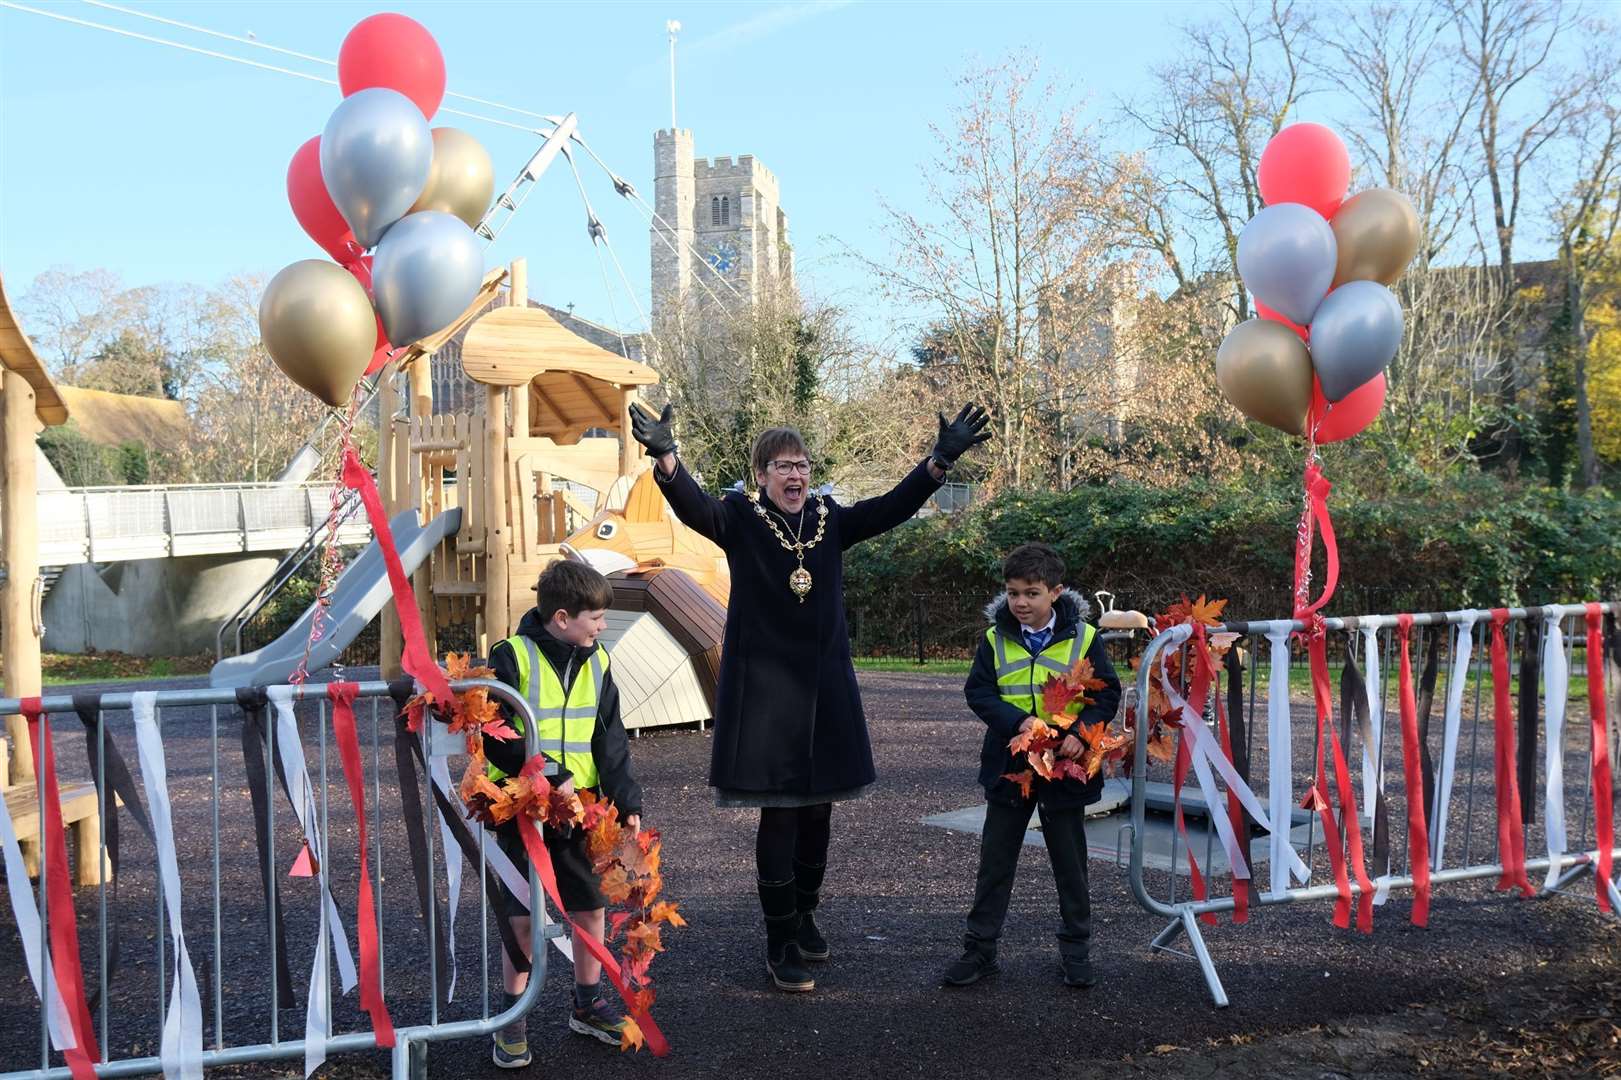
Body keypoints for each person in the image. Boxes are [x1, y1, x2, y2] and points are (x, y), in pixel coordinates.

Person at [628, 400, 992, 992]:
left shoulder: (828, 518)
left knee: (820, 810)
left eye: (800, 464)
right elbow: (693, 507)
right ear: (761, 475)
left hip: (824, 688)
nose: (794, 475)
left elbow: (889, 509)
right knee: (781, 813)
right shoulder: (739, 517)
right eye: (781, 466)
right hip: (765, 695)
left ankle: (804, 915)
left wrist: (939, 461)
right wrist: (668, 458)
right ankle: (779, 943)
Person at [483, 559, 644, 1067]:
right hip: (524, 810)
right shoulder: (511, 656)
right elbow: (495, 732)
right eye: (595, 618)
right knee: (523, 919)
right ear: (560, 617)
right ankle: (512, 1022)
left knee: (589, 908)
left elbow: (609, 736)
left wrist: (626, 800)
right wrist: (550, 776)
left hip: (581, 812)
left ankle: (587, 1006)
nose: (601, 627)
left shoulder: (598, 660)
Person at [942, 541, 1121, 990]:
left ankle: (1076, 951)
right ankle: (980, 951)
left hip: (1065, 767)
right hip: (1011, 765)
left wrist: (1081, 734)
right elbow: (979, 692)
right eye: (1013, 592)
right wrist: (1019, 721)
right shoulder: (993, 639)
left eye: (1031, 592)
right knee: (996, 862)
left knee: (1070, 862)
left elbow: (1106, 695)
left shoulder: (1085, 639)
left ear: (1055, 592)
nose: (1020, 602)